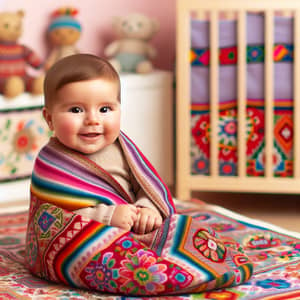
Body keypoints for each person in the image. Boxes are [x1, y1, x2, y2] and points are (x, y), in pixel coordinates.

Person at [42, 53, 163, 234]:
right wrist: (106, 216)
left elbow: (145, 186)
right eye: (76, 110)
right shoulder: (53, 164)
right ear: (49, 119)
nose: (93, 120)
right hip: (85, 240)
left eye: (104, 109)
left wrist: (147, 209)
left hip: (133, 228)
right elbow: (53, 218)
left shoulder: (122, 149)